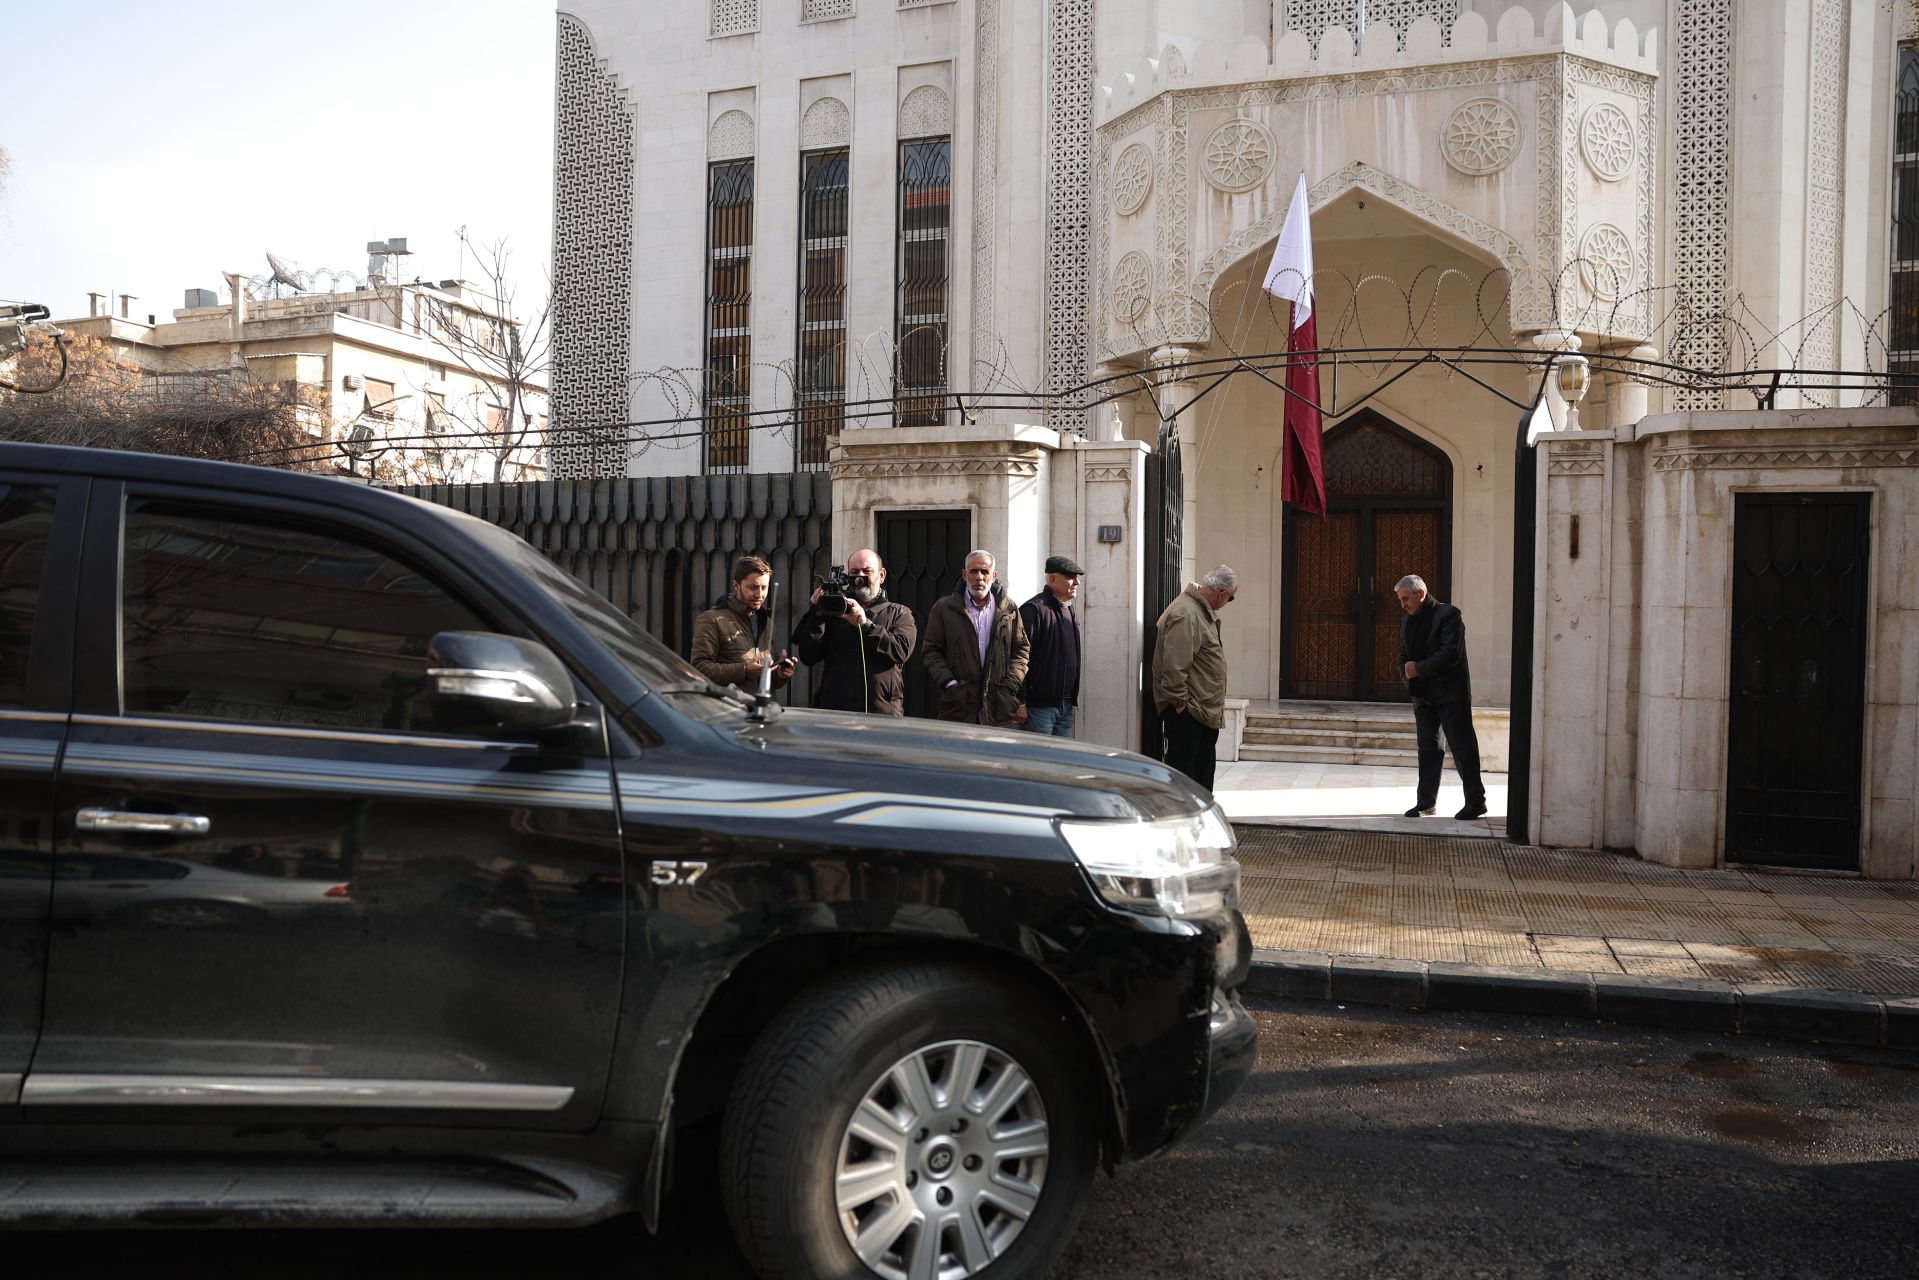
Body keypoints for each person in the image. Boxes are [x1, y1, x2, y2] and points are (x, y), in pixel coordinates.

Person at [1395, 574, 1487, 820]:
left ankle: (1476, 802)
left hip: (1450, 695)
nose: (1403, 605)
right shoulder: (1406, 621)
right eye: (1400, 600)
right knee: (1428, 750)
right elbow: (1403, 659)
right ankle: (1426, 803)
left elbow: (1450, 654)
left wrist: (1418, 670)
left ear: (1421, 594)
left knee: (1463, 748)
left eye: (1406, 599)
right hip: (1423, 696)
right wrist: (1410, 681)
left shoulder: (1449, 616)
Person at [790, 547, 917, 715]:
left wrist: (866, 625)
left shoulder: (899, 613)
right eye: (855, 571)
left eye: (867, 571)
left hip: (882, 713)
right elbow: (808, 656)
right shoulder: (834, 611)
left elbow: (900, 651)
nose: (860, 577)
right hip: (835, 712)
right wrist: (816, 614)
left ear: (882, 575)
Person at [1151, 565, 1238, 791]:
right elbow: (1174, 666)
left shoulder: (1198, 610)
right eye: (1231, 598)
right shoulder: (1187, 613)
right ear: (1221, 594)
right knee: (1184, 780)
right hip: (1190, 712)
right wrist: (1180, 704)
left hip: (1201, 711)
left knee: (1200, 778)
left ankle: (1198, 821)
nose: (1227, 604)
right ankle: (1180, 822)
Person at [921, 550, 1030, 727]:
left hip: (999, 707)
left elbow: (1021, 649)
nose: (979, 577)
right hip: (959, 706)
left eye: (985, 572)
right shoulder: (944, 608)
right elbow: (931, 650)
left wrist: (1010, 685)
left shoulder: (1009, 609)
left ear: (993, 576)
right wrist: (950, 683)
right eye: (973, 571)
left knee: (993, 755)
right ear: (964, 575)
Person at [690, 554, 797, 695]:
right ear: (736, 585)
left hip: (763, 709)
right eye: (753, 587)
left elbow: (766, 678)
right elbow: (699, 669)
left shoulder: (766, 622)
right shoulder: (711, 619)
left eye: (764, 587)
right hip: (730, 709)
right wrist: (744, 669)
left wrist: (781, 674)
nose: (759, 594)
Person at [1017, 554, 1083, 737]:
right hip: (1038, 709)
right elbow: (1019, 659)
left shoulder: (1070, 610)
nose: (1076, 582)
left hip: (1066, 707)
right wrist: (1020, 702)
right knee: (1038, 762)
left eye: (1077, 577)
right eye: (1070, 577)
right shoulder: (1033, 610)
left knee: (1063, 763)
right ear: (1052, 579)